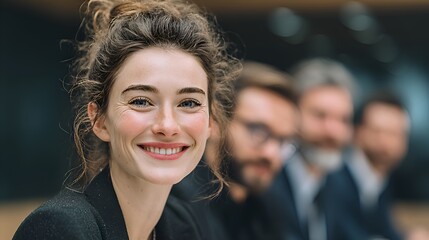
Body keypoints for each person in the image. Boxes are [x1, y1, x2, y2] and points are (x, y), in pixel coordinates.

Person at [13, 0, 240, 239]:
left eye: (188, 103)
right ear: (100, 120)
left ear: (210, 122)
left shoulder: (182, 224)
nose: (167, 126)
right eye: (141, 101)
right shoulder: (60, 229)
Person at [172, 61, 298, 240]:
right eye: (258, 131)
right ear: (214, 121)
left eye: (283, 141)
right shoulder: (177, 205)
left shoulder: (269, 210)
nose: (271, 154)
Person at [265, 58, 355, 240]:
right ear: (291, 114)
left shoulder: (337, 183)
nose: (333, 131)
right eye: (320, 116)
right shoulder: (267, 179)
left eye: (343, 120)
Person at [328, 92, 409, 240]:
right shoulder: (334, 177)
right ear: (357, 132)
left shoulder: (382, 180)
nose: (386, 143)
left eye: (395, 134)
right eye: (378, 131)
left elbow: (384, 229)